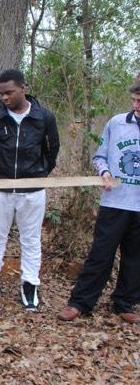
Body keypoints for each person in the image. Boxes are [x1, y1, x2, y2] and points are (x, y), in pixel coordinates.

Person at [0, 69, 60, 312]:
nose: (4, 98)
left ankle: (30, 284)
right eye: (1, 94)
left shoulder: (44, 117)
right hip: (0, 188)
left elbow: (51, 150)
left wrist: (39, 173)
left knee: (31, 239)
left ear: (23, 88)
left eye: (9, 92)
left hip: (32, 190)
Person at [58, 82, 140, 324]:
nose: (136, 105)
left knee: (135, 257)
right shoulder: (117, 123)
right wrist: (104, 172)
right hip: (115, 202)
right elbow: (100, 155)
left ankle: (124, 303)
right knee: (100, 254)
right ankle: (80, 302)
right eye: (135, 100)